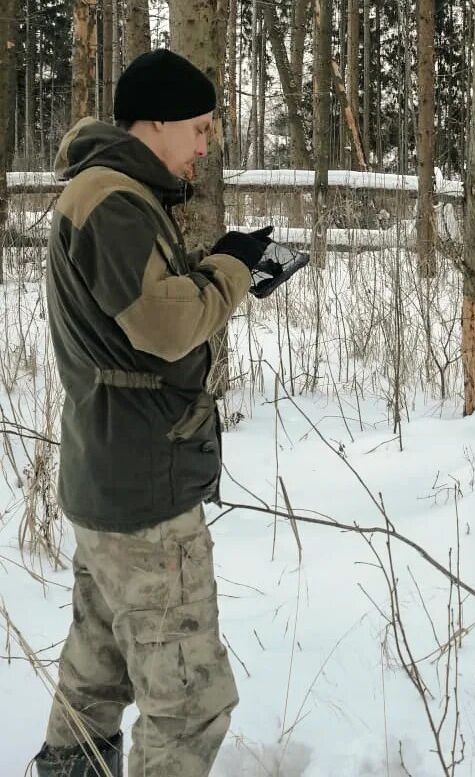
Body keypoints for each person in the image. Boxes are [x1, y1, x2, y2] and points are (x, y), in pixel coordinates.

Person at [34, 49, 273, 776]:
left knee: (99, 663)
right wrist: (231, 267)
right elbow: (165, 329)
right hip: (142, 487)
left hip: (111, 471)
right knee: (190, 702)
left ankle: (71, 768)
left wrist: (212, 265)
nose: (205, 145)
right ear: (158, 122)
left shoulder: (110, 192)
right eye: (199, 128)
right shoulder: (111, 200)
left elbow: (130, 316)